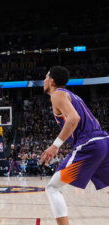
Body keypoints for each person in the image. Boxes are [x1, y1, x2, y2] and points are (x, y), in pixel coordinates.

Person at [40, 66, 109, 225]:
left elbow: (74, 118)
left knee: (53, 188)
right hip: (104, 141)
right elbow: (94, 121)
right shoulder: (73, 96)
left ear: (51, 81)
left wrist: (55, 145)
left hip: (91, 146)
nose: (43, 81)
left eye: (45, 78)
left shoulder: (57, 94)